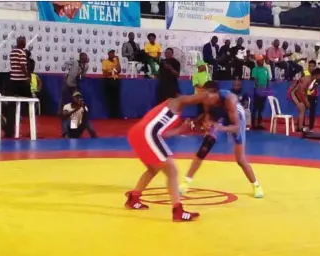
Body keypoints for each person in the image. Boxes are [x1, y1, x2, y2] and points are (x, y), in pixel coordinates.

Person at [125, 91, 213, 222]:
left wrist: (181, 130)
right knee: (172, 171)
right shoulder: (178, 102)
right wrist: (210, 108)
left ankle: (134, 198)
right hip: (147, 134)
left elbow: (163, 134)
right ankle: (178, 211)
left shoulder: (170, 111)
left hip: (137, 134)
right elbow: (200, 97)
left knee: (153, 169)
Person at [180, 81, 264, 199]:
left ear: (215, 94)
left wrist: (220, 128)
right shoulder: (206, 99)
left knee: (240, 159)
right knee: (204, 147)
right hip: (220, 116)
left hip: (236, 118)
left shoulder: (230, 100)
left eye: (207, 96)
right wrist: (208, 123)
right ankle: (185, 183)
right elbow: (208, 114)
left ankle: (256, 185)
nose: (204, 99)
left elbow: (236, 127)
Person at [288, 68, 320, 133]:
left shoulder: (312, 79)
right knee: (302, 108)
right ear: (316, 75)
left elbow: (304, 92)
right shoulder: (307, 79)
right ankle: (300, 127)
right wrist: (306, 102)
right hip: (293, 93)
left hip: (297, 93)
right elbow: (301, 92)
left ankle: (298, 127)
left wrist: (305, 101)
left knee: (302, 108)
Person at [251, 54, 270, 130]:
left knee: (261, 108)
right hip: (258, 90)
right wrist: (259, 88)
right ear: (257, 61)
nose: (262, 61)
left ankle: (259, 124)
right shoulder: (255, 69)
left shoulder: (266, 69)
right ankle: (253, 124)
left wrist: (268, 88)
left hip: (264, 90)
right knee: (255, 107)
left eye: (262, 60)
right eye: (260, 60)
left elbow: (268, 79)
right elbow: (255, 80)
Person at [102, 49, 121, 118]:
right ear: (108, 54)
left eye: (113, 53)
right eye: (111, 53)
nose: (113, 54)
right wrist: (112, 72)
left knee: (116, 98)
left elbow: (119, 70)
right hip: (108, 81)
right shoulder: (105, 62)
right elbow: (104, 74)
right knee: (110, 98)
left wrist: (118, 61)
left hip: (115, 80)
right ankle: (111, 114)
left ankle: (116, 114)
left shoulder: (116, 61)